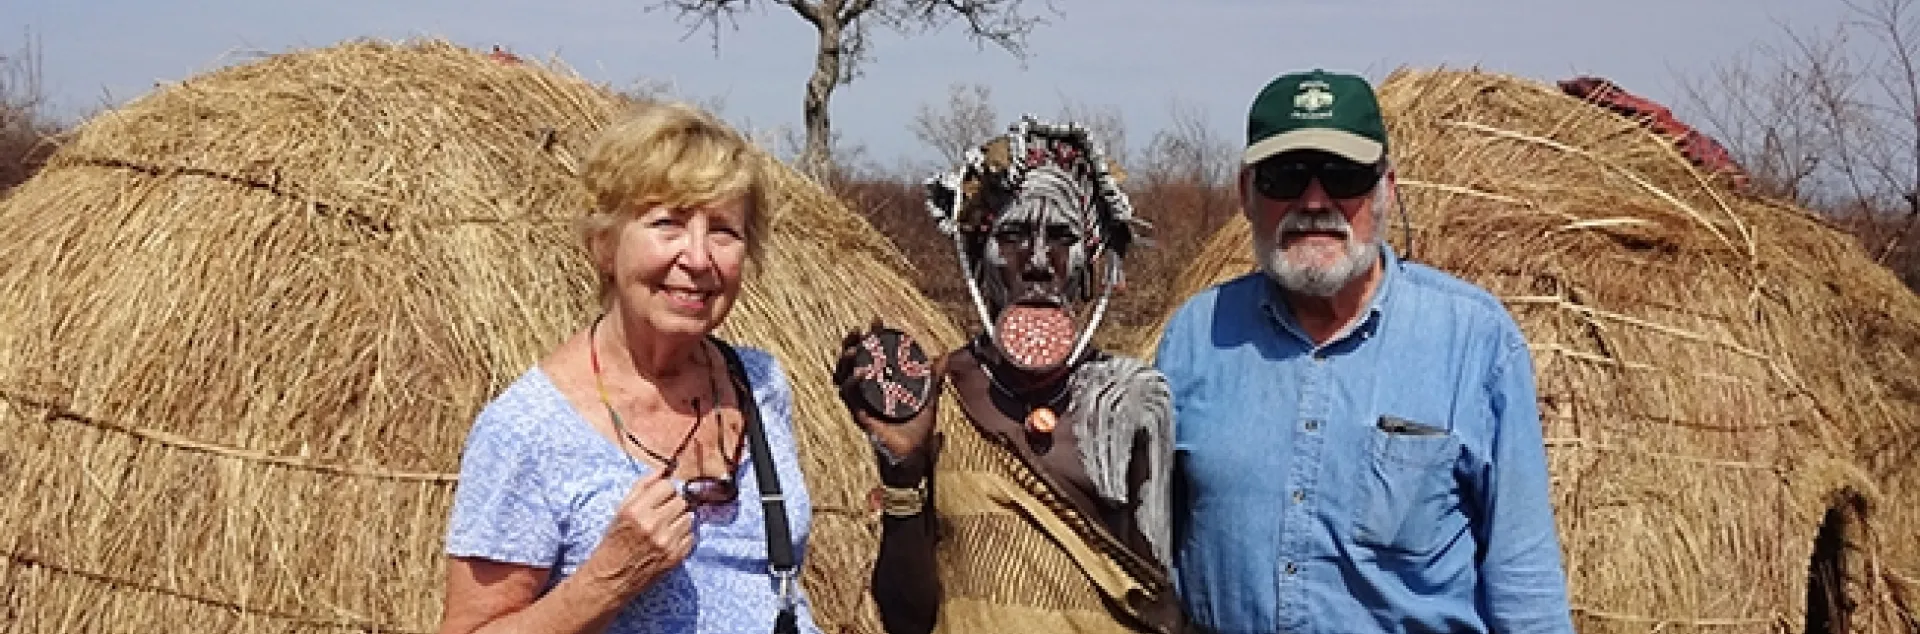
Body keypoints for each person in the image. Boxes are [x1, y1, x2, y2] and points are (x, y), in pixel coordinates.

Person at [1154, 70, 1576, 634]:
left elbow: (1523, 578)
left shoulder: (1474, 340)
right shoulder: (1196, 337)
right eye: (1284, 177)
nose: (1313, 201)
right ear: (1246, 195)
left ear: (1386, 191)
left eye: (1343, 176)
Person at [438, 101, 825, 634]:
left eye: (723, 231)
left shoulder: (759, 383)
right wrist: (605, 582)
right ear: (605, 244)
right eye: (667, 223)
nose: (697, 258)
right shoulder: (527, 431)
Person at [833, 116, 1183, 634]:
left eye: (1062, 238)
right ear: (978, 257)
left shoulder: (1132, 401)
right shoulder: (940, 394)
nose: (1039, 262)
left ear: (1091, 262)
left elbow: (1158, 606)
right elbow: (906, 619)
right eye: (1013, 236)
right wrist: (902, 471)